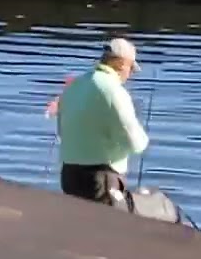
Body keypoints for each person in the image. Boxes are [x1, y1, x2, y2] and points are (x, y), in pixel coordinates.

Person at [54, 37, 149, 207]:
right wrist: (143, 139)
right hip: (101, 180)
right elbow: (135, 143)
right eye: (131, 68)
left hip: (69, 176)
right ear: (121, 64)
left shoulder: (75, 85)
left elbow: (62, 131)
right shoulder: (114, 91)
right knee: (106, 223)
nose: (130, 75)